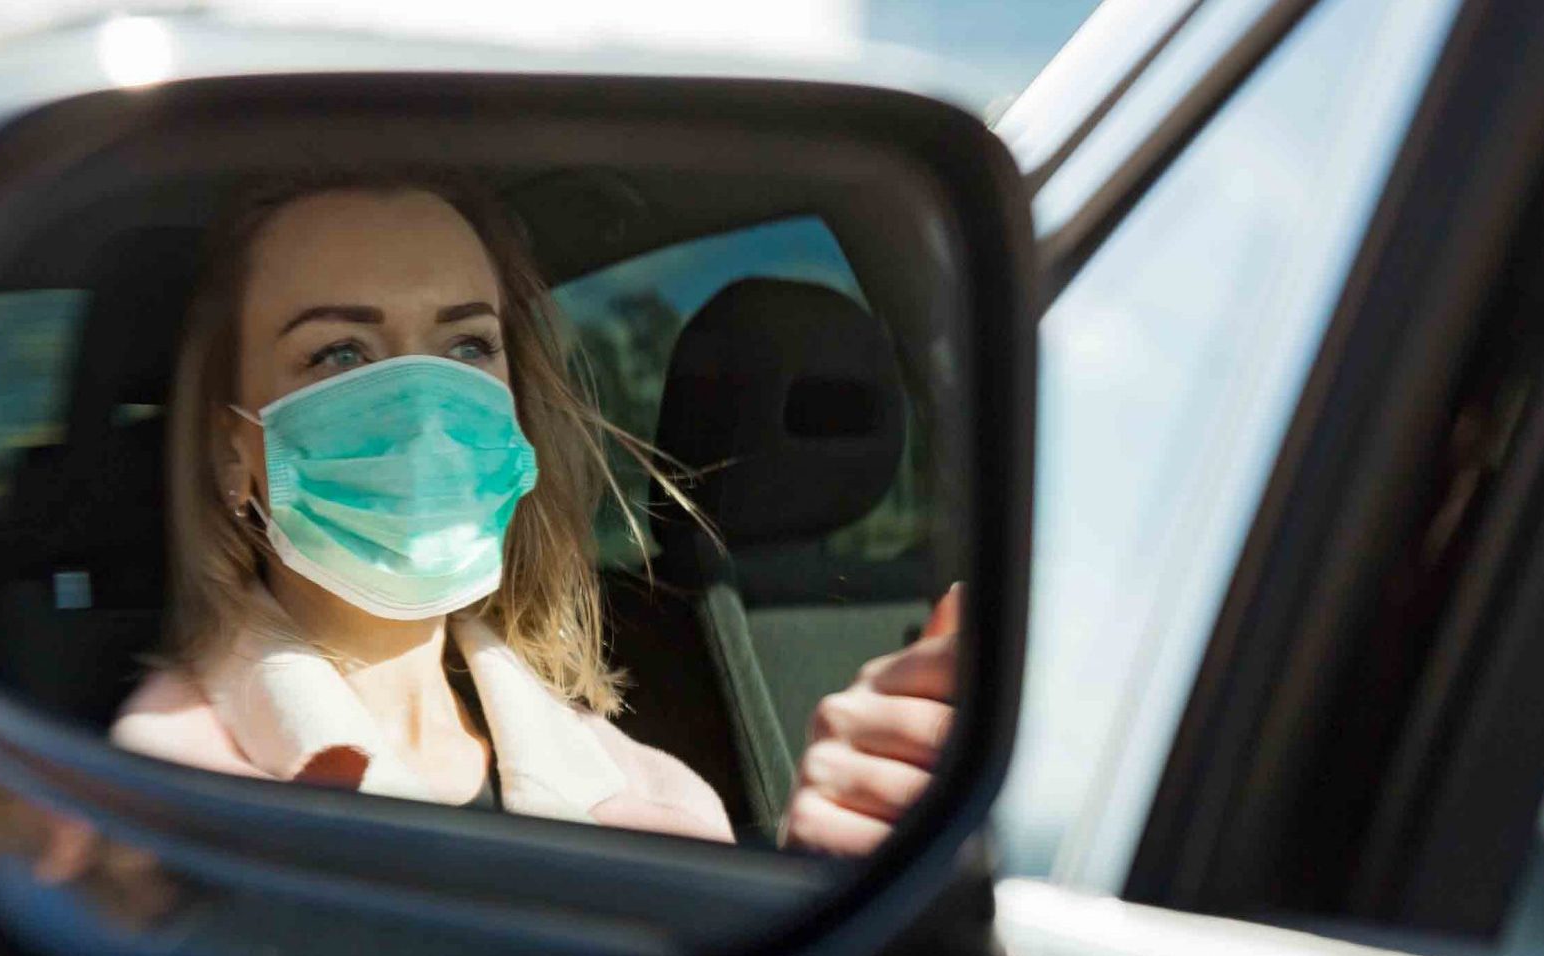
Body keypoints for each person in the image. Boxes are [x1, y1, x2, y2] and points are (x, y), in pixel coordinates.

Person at [109, 173, 955, 857]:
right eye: (340, 353)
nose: (429, 411)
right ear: (233, 455)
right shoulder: (161, 803)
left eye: (468, 346)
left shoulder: (660, 799)